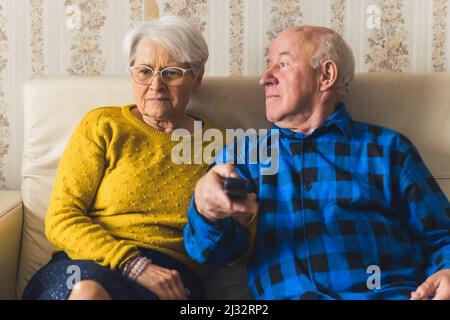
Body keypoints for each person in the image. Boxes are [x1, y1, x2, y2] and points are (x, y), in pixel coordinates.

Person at [184, 26, 450, 300]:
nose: (265, 78)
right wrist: (206, 212)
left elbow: (443, 234)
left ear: (326, 75)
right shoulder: (243, 155)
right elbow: (216, 253)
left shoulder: (389, 149)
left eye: (283, 64)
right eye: (268, 65)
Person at [23, 15, 211, 300]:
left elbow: (231, 244)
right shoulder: (103, 125)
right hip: (85, 264)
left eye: (171, 73)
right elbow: (61, 218)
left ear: (196, 79)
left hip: (170, 279)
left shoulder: (218, 144)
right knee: (87, 292)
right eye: (144, 71)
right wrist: (132, 264)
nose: (155, 85)